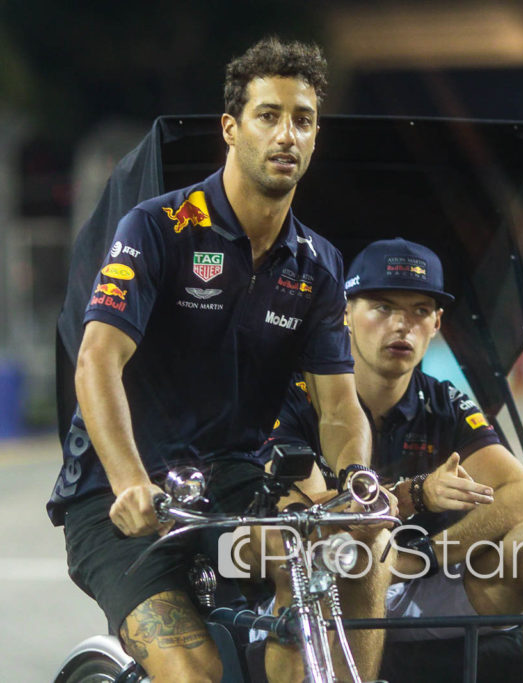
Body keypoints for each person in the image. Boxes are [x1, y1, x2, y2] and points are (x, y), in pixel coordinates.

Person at [46, 37, 390, 683]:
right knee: (199, 673)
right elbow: (96, 360)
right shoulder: (159, 227)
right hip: (119, 497)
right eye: (269, 115)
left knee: (348, 556)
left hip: (233, 484)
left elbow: (339, 404)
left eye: (303, 119)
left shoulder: (317, 264)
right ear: (231, 129)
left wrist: (356, 483)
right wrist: (127, 479)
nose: (287, 135)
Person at [259, 238, 523, 683]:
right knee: (364, 550)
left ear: (437, 323)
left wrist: (423, 555)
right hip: (322, 585)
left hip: (417, 574)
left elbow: (522, 497)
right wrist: (418, 497)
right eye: (381, 306)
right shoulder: (298, 396)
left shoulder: (444, 402)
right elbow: (311, 514)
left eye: (419, 310)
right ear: (344, 315)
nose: (402, 325)